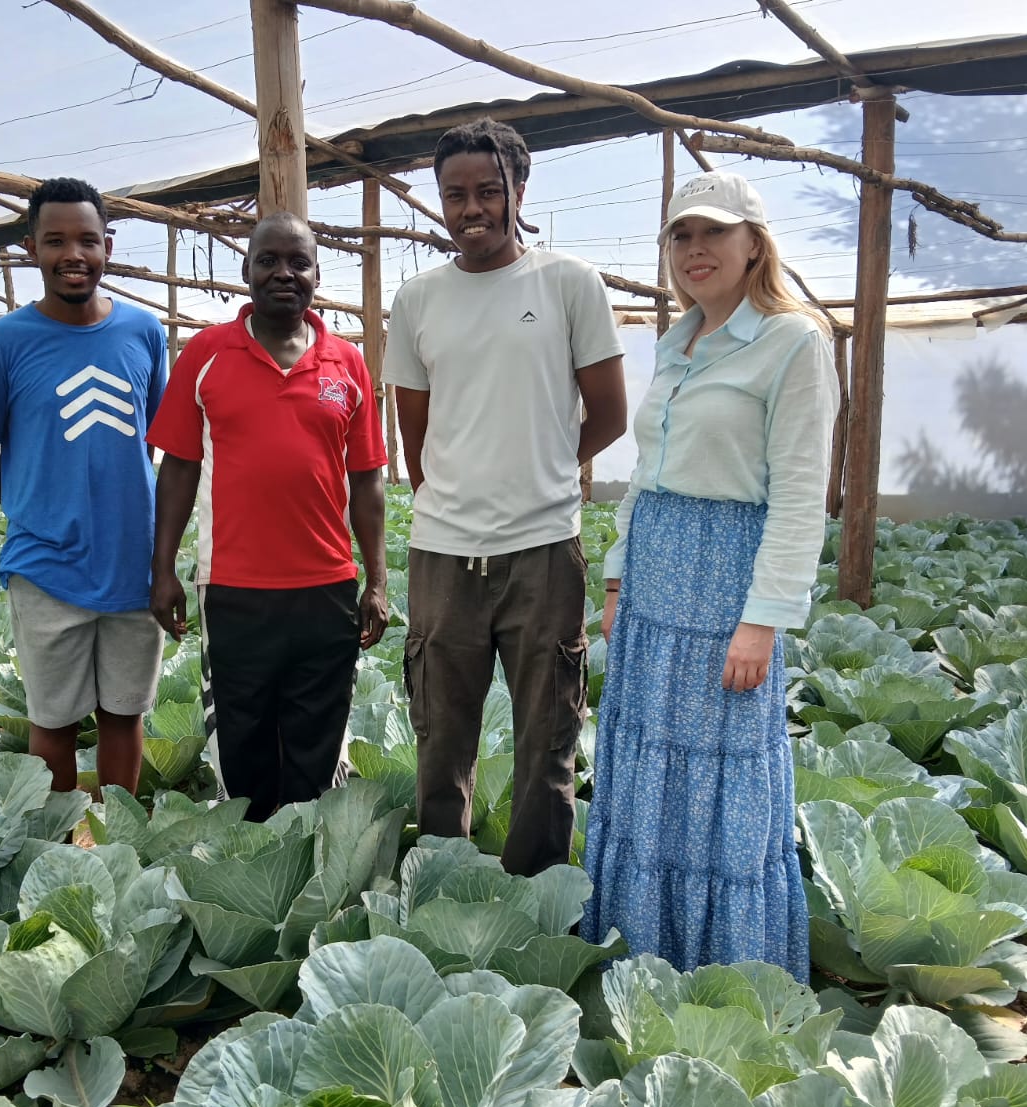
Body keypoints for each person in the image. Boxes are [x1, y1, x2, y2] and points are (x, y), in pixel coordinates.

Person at [580, 171, 838, 982]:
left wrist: (762, 620)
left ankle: (720, 977)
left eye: (714, 234)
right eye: (681, 236)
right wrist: (618, 580)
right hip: (655, 582)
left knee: (719, 775)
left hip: (724, 588)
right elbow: (646, 476)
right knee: (647, 770)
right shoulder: (676, 340)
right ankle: (641, 961)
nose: (695, 251)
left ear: (754, 243)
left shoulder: (795, 341)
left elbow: (801, 497)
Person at [383, 118, 627, 877]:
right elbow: (415, 434)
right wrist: (460, 493)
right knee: (440, 740)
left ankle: (537, 896)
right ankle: (444, 886)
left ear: (520, 192)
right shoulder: (417, 300)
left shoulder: (567, 283)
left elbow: (610, 412)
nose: (471, 209)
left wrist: (547, 465)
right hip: (444, 552)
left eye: (489, 191)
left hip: (545, 550)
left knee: (548, 740)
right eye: (455, 194)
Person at [148, 211, 389, 821]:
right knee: (243, 744)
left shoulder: (347, 365)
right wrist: (163, 570)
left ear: (316, 274)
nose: (284, 273)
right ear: (246, 271)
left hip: (326, 589)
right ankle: (252, 875)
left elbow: (367, 480)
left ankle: (308, 880)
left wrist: (378, 580)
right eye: (269, 261)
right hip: (233, 590)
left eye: (298, 262)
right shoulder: (206, 354)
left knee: (317, 746)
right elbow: (176, 468)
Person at [0, 176, 167, 796]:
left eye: (86, 240)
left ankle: (115, 840)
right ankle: (58, 845)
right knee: (52, 720)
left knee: (124, 713)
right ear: (31, 249)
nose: (73, 254)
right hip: (45, 564)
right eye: (55, 241)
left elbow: (154, 437)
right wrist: (26, 504)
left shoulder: (144, 333)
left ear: (108, 246)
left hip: (133, 563)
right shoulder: (2, 344)